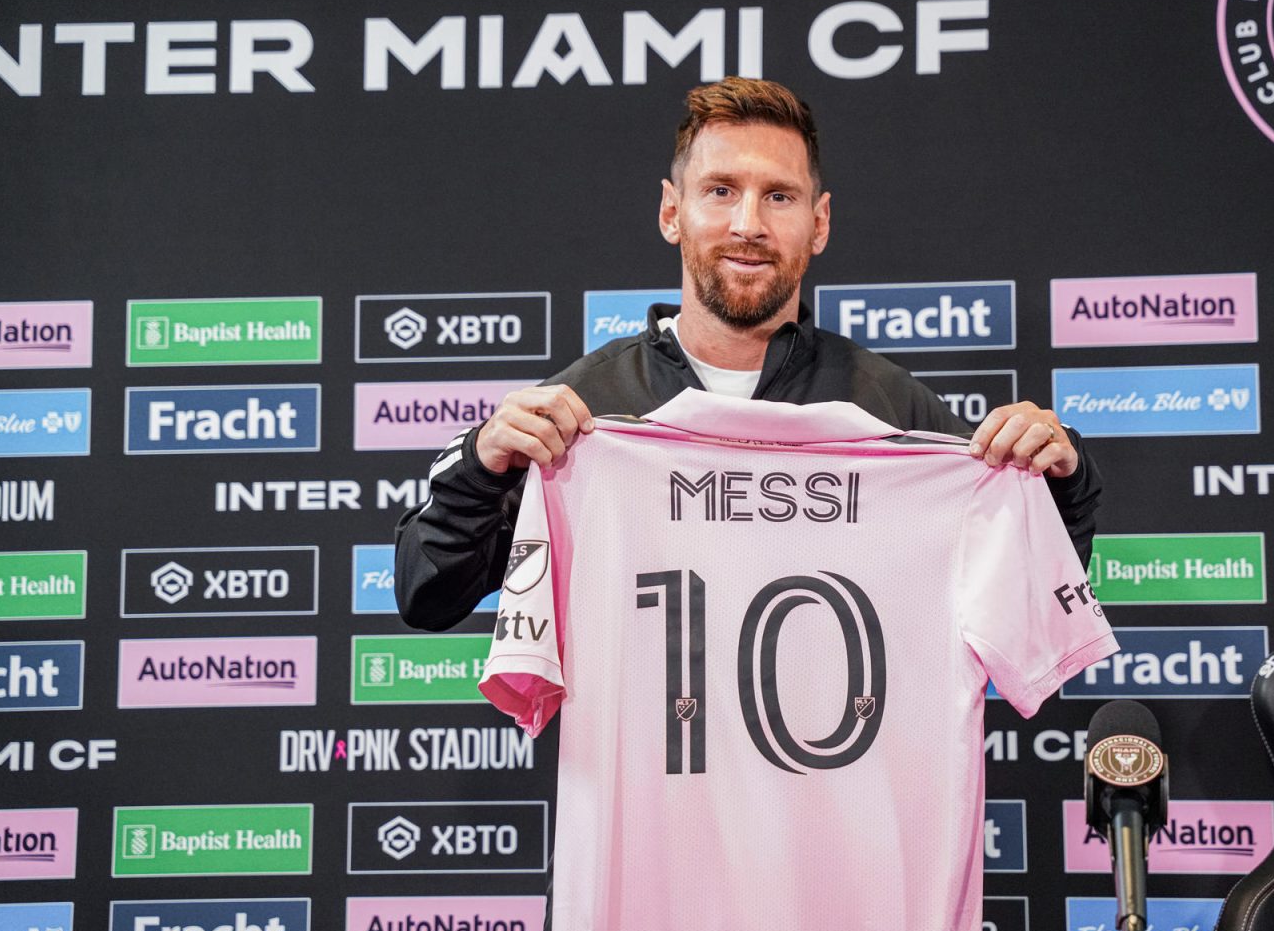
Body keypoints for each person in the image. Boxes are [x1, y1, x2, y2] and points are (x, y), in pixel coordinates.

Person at [395, 76, 1102, 632]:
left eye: (780, 197)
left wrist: (1058, 483)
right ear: (672, 211)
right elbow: (427, 594)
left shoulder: (891, 407)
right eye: (721, 191)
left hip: (841, 808)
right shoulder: (585, 409)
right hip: (646, 810)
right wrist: (480, 466)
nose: (748, 224)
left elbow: (1033, 601)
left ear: (818, 223)